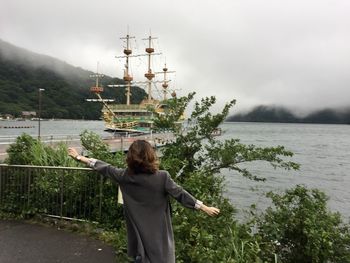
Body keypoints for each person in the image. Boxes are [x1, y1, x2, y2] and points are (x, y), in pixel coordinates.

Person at [68, 140, 220, 263]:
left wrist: (79, 157)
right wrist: (203, 207)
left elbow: (103, 167)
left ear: (130, 157)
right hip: (159, 234)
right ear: (151, 156)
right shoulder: (162, 177)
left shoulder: (124, 176)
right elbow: (180, 194)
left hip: (138, 237)